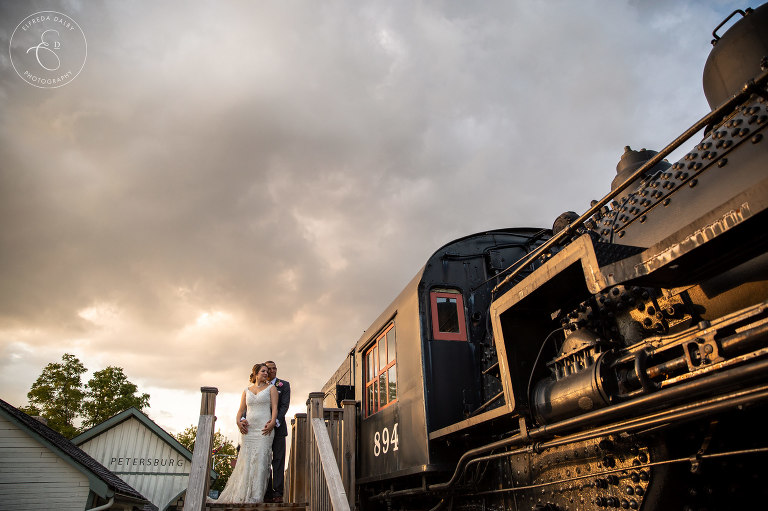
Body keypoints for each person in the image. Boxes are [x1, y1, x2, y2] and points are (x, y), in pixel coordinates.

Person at [214, 363, 278, 503]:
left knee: (260, 461)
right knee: (246, 461)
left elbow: (274, 408)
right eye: (263, 371)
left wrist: (272, 422)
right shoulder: (246, 390)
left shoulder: (271, 389)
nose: (266, 373)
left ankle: (256, 496)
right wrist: (238, 422)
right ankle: (242, 493)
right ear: (256, 373)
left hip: (264, 429)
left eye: (267, 371)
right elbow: (240, 410)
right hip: (248, 431)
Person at [264, 360, 290, 503]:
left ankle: (278, 492)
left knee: (278, 460)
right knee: (265, 459)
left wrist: (275, 422)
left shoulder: (284, 385)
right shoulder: (260, 386)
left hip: (279, 428)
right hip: (262, 429)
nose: (273, 370)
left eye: (274, 368)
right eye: (269, 369)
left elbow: (284, 406)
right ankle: (266, 492)